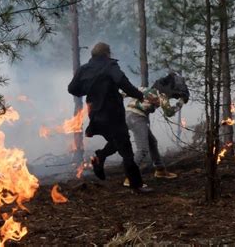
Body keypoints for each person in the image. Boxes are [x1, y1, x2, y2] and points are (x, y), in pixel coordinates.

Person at [67, 42, 152, 193]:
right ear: (107, 54)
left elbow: (72, 88)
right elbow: (122, 82)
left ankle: (100, 156)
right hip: (113, 115)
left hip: (96, 116)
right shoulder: (110, 66)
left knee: (115, 142)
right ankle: (136, 185)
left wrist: (87, 90)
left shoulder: (84, 69)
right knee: (127, 152)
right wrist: (139, 95)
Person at [123, 72, 189, 187]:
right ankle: (131, 177)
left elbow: (125, 92)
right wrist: (181, 102)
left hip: (129, 115)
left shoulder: (144, 89)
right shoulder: (162, 96)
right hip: (137, 118)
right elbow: (169, 112)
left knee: (152, 143)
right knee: (142, 149)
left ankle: (160, 170)